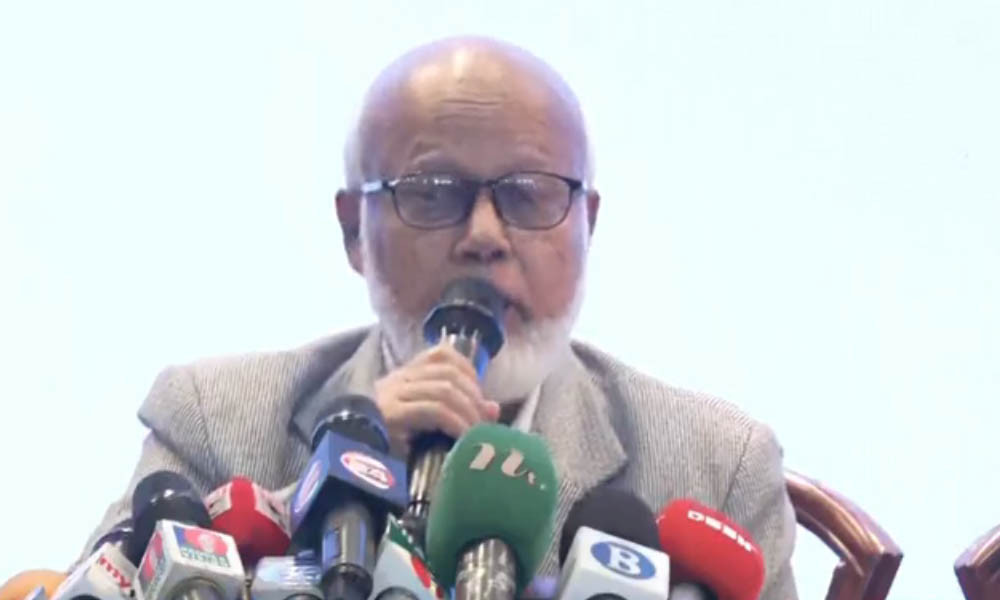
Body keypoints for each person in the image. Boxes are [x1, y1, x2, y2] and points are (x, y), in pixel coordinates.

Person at [1, 36, 797, 599]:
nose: (484, 236)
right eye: (433, 194)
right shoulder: (211, 418)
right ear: (354, 230)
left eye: (528, 195)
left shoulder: (718, 464)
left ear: (587, 225)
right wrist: (336, 469)